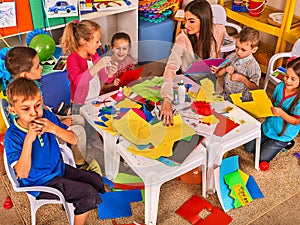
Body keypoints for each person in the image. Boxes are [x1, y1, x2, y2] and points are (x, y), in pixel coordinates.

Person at [4, 77, 105, 225]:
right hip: (39, 182)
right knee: (87, 194)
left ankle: (72, 202)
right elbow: (22, 173)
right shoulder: (12, 136)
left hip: (58, 169)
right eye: (26, 108)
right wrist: (29, 140)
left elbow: (74, 140)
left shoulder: (47, 116)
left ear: (42, 101)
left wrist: (54, 128)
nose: (34, 113)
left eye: (37, 105)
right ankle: (78, 205)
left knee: (96, 181)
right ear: (13, 110)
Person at [5, 46, 88, 169]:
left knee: (79, 119)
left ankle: (76, 149)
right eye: (38, 66)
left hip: (47, 118)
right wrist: (60, 124)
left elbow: (43, 110)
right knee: (79, 131)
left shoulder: (27, 88)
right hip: (42, 134)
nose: (41, 68)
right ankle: (79, 163)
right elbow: (36, 122)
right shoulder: (22, 101)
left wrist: (57, 118)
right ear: (26, 75)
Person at [160, 0, 226, 126]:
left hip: (210, 82)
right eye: (185, 20)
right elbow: (171, 67)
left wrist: (219, 68)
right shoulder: (182, 39)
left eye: (191, 21)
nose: (186, 25)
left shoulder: (219, 31)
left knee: (214, 119)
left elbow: (218, 56)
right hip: (190, 83)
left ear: (204, 19)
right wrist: (167, 99)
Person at [244, 57, 300, 166]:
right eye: (286, 76)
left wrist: (281, 113)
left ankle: (288, 143)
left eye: (293, 79)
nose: (287, 81)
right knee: (248, 148)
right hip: (268, 126)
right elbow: (272, 102)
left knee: (261, 158)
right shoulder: (280, 87)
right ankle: (268, 140)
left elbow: (296, 121)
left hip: (283, 135)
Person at [60, 20, 114, 105]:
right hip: (80, 104)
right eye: (97, 41)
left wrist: (110, 74)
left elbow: (105, 78)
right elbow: (79, 81)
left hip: (96, 98)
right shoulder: (72, 59)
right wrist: (97, 66)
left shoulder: (94, 55)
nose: (100, 44)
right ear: (85, 43)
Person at [212, 26, 261, 102]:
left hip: (241, 101)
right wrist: (225, 69)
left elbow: (255, 88)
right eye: (237, 47)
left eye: (243, 50)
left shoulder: (253, 66)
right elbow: (217, 74)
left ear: (254, 49)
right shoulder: (231, 56)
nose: (238, 52)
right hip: (226, 96)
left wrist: (242, 78)